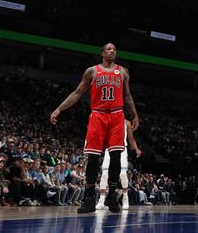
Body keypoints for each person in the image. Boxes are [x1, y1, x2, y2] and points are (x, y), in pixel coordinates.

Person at [50, 42, 139, 213]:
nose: (112, 51)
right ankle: (89, 198)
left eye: (114, 49)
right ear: (102, 53)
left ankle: (111, 197)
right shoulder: (92, 71)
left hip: (116, 115)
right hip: (98, 115)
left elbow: (127, 95)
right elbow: (77, 92)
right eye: (109, 49)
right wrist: (59, 109)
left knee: (115, 157)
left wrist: (134, 114)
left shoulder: (122, 71)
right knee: (93, 158)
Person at [96, 118, 142, 210]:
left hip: (122, 149)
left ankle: (125, 199)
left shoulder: (126, 123)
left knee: (122, 174)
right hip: (110, 148)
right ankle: (101, 200)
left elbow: (130, 138)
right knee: (104, 175)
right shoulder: (108, 119)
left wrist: (136, 148)